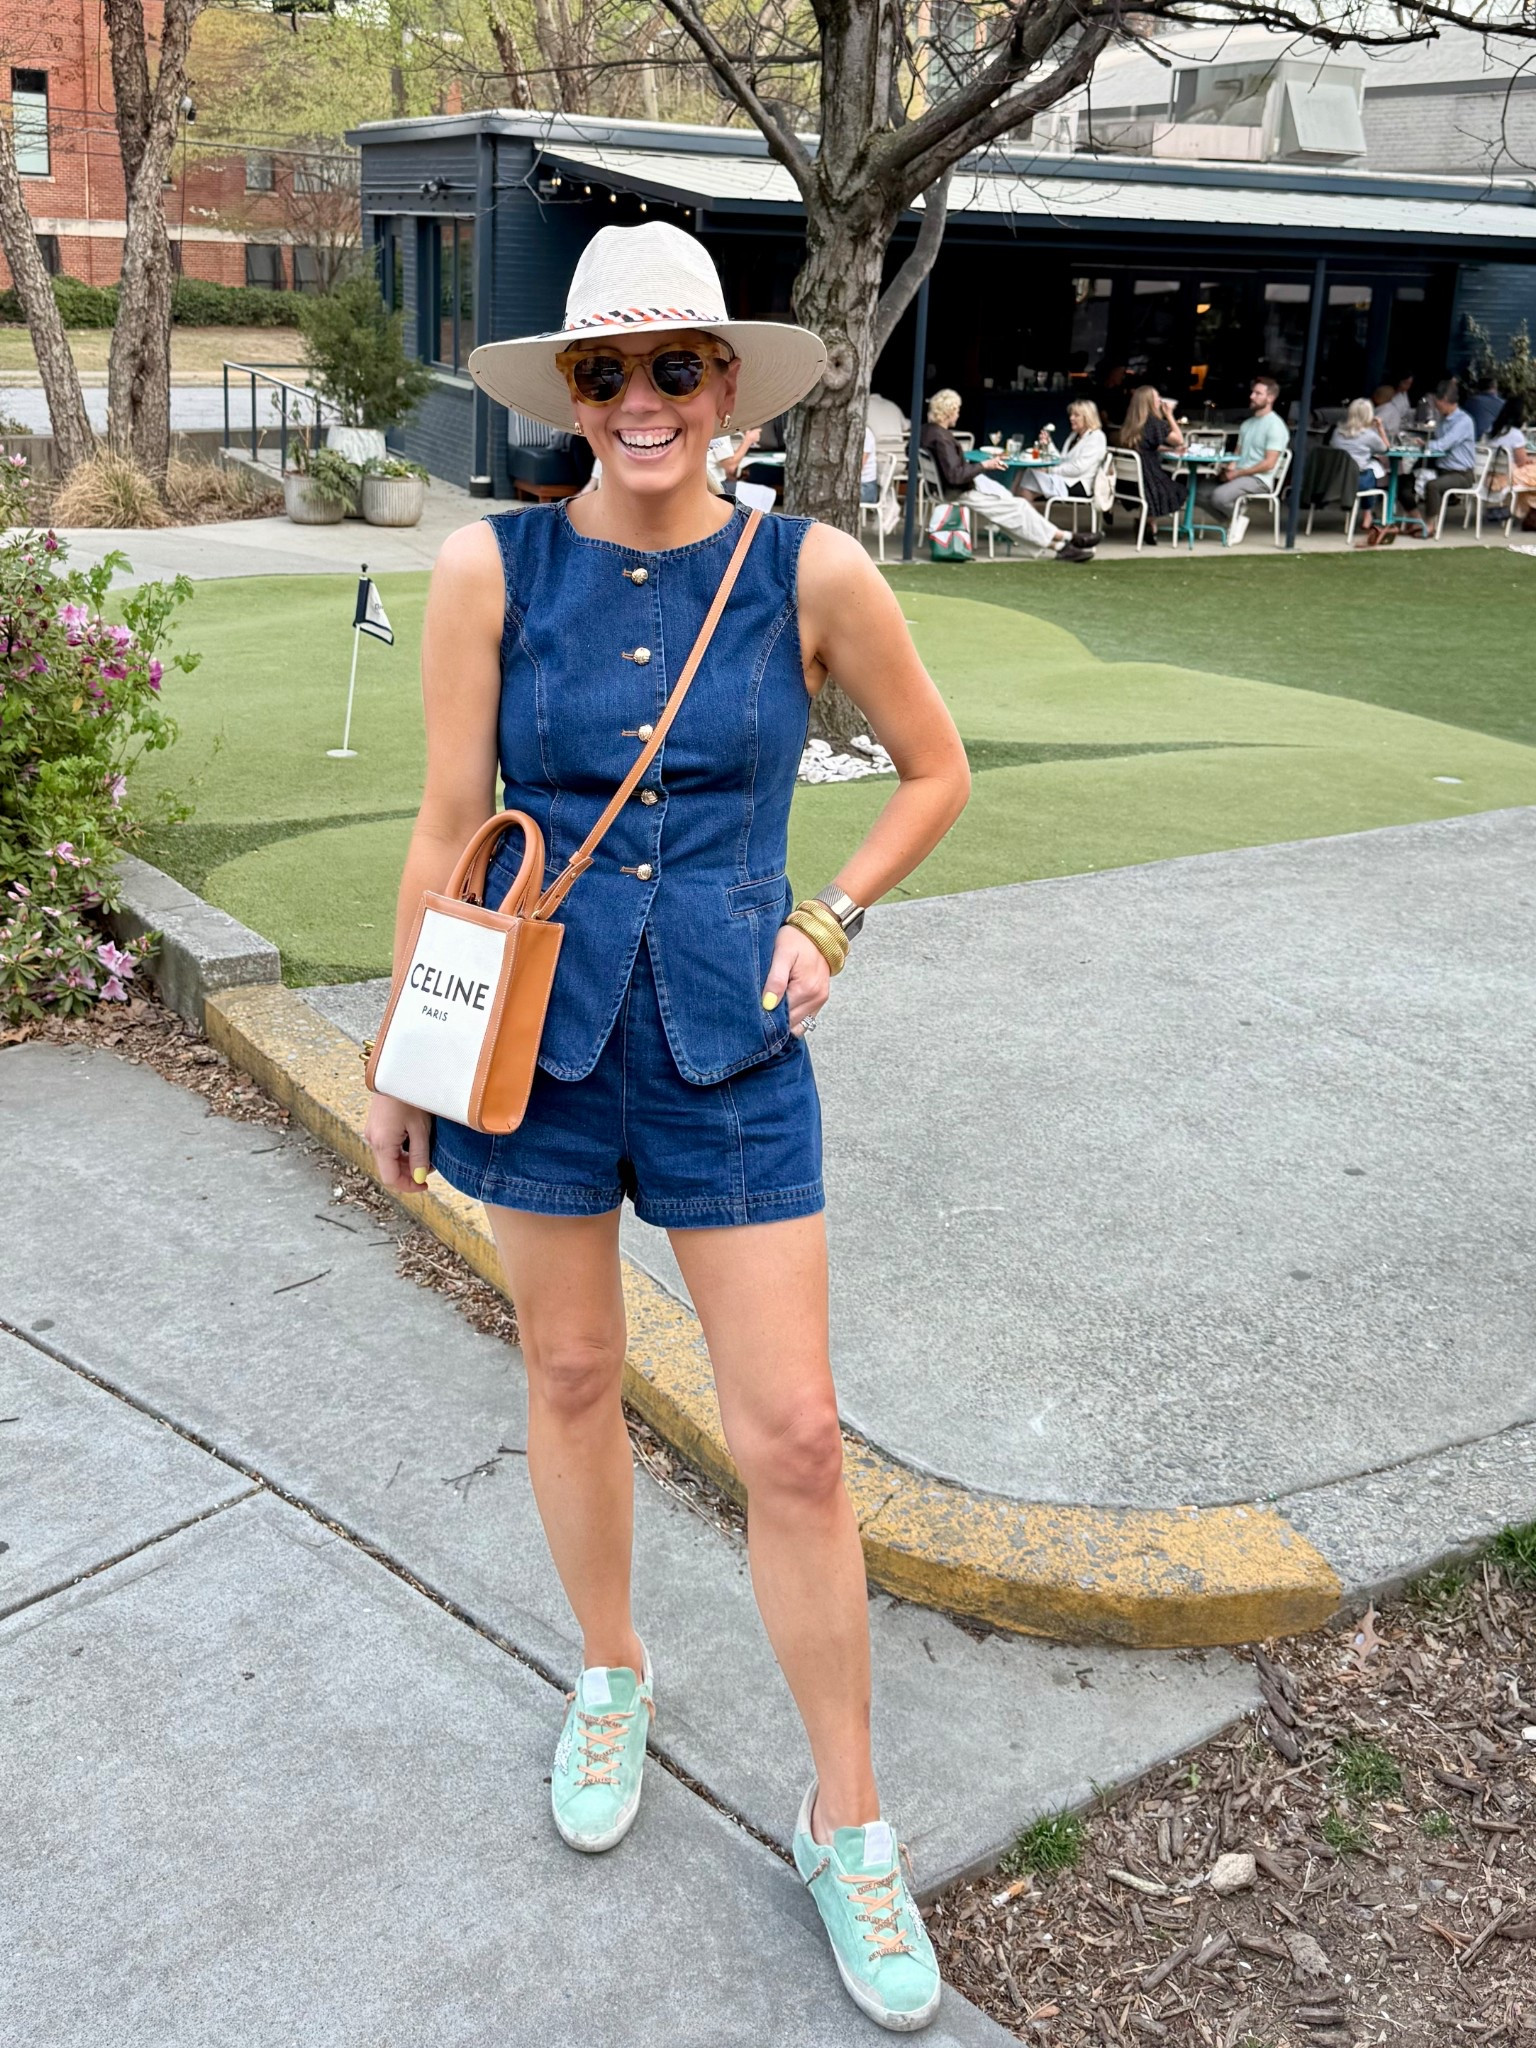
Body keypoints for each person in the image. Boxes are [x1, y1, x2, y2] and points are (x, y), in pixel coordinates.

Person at [362, 221, 966, 2034]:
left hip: (730, 1043)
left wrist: (830, 912)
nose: (641, 401)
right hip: (535, 1044)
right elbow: (443, 826)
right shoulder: (489, 568)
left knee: (791, 1436)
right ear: (571, 394)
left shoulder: (811, 568)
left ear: (725, 388)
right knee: (565, 1373)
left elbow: (936, 769)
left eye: (673, 369)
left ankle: (843, 1813)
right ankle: (611, 1668)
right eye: (606, 373)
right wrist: (406, 1049)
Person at [920, 388, 1098, 562]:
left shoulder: (928, 432)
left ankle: (1061, 544)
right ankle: (1066, 538)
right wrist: (984, 465)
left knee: (1014, 508)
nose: (958, 415)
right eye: (957, 410)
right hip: (959, 491)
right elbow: (955, 476)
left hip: (949, 488)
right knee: (1017, 509)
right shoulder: (942, 438)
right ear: (949, 412)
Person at [1203, 375, 1289, 542]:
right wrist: (1228, 467)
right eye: (1252, 393)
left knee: (1219, 497)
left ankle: (1236, 515)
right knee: (1197, 491)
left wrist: (1237, 473)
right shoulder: (1247, 424)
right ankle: (1235, 516)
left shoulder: (1276, 426)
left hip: (1259, 478)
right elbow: (1238, 454)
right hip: (1240, 474)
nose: (1252, 397)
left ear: (1270, 398)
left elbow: (1269, 464)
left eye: (1258, 393)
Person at [1116, 384, 1185, 544]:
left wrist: (1167, 449)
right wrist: (1169, 414)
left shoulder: (1130, 424)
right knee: (1176, 487)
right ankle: (1149, 522)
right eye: (1157, 398)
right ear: (1149, 403)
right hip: (1148, 479)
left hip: (1127, 482)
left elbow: (1145, 445)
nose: (1160, 401)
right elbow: (1179, 440)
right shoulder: (1154, 423)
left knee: (1160, 486)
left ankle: (1148, 522)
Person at [1410, 378, 1478, 529]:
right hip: (1442, 469)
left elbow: (1444, 444)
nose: (1435, 406)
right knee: (1408, 479)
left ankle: (1430, 524)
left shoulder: (1463, 421)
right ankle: (1411, 519)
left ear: (1446, 400)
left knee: (1433, 486)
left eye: (1437, 403)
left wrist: (1426, 445)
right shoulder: (1442, 419)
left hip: (1460, 473)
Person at [1021, 399, 1107, 511]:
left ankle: (1032, 525)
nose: (1071, 418)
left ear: (1087, 417)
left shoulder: (1096, 437)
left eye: (1076, 415)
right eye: (1071, 415)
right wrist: (1048, 444)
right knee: (1024, 479)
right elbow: (1061, 460)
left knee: (1027, 479)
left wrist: (1049, 470)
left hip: (1078, 484)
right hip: (1066, 479)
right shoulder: (1074, 436)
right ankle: (1030, 523)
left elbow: (1078, 468)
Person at [1329, 396, 1389, 537]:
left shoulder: (1337, 432)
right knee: (1372, 472)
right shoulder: (1369, 435)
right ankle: (1368, 514)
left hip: (1336, 479)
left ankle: (1367, 515)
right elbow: (1386, 448)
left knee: (1368, 470)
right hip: (1357, 480)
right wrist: (1380, 428)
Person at [1486, 397, 1536, 525]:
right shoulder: (1515, 434)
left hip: (1490, 475)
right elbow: (1521, 461)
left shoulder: (1493, 430)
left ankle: (1526, 511)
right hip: (1508, 476)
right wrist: (1530, 459)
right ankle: (1528, 512)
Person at [1464, 371, 1505, 440]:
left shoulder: (1471, 402)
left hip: (1472, 441)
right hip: (1494, 443)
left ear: (1478, 389)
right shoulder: (1503, 404)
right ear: (1495, 388)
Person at [1376, 373, 1415, 440]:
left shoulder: (1404, 394)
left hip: (1400, 427)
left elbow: (1407, 410)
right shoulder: (1388, 403)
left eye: (1410, 384)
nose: (1408, 386)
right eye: (1406, 383)